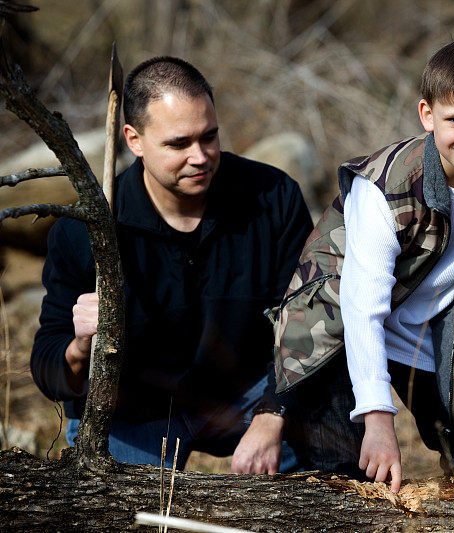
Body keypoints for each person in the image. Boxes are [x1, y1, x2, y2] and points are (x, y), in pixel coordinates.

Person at [238, 39, 454, 490]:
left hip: (430, 322)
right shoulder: (385, 186)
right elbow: (363, 306)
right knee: (350, 475)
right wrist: (378, 420)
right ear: (427, 115)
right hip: (340, 328)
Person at [30, 56, 313, 473]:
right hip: (135, 413)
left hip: (247, 394)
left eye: (210, 137)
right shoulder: (85, 230)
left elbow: (307, 320)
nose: (200, 157)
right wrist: (80, 346)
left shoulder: (273, 198)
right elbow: (47, 368)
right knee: (114, 508)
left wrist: (274, 413)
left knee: (333, 439)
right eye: (179, 144)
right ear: (134, 139)